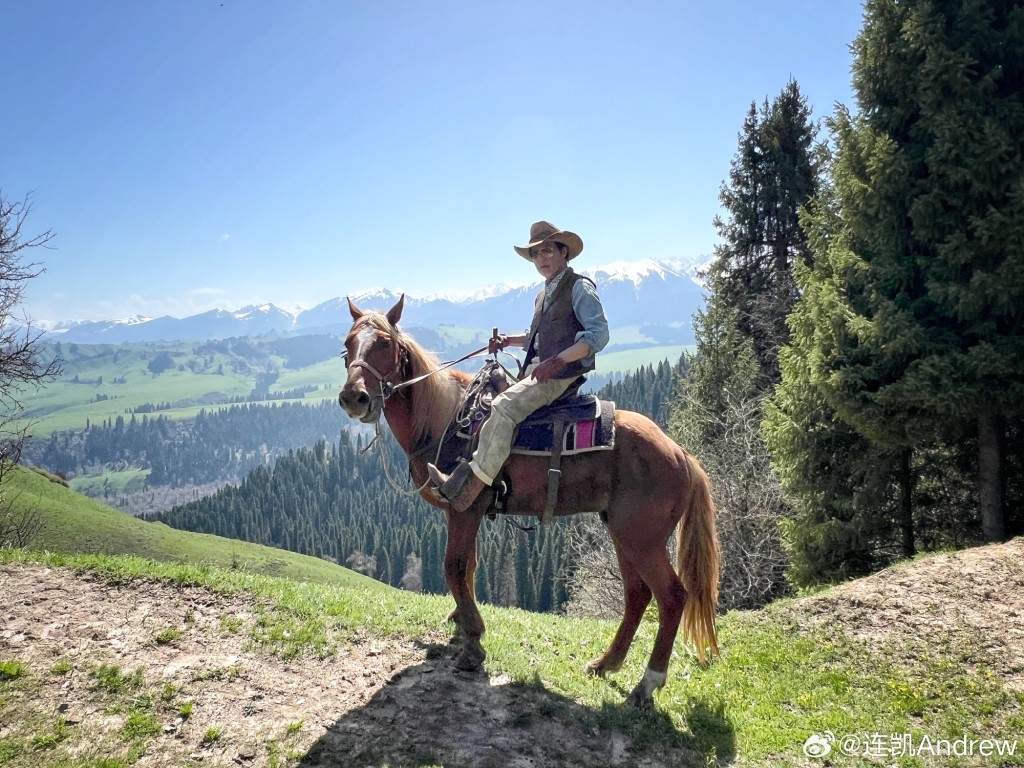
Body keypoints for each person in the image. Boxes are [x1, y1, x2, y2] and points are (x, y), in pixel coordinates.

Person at [427, 221, 610, 512]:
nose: (541, 259)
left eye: (547, 251)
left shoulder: (579, 288)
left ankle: (469, 489)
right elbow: (540, 337)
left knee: (502, 407)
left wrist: (558, 362)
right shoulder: (544, 294)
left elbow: (598, 335)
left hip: (560, 376)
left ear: (564, 252)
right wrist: (507, 341)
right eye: (535, 254)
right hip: (541, 369)